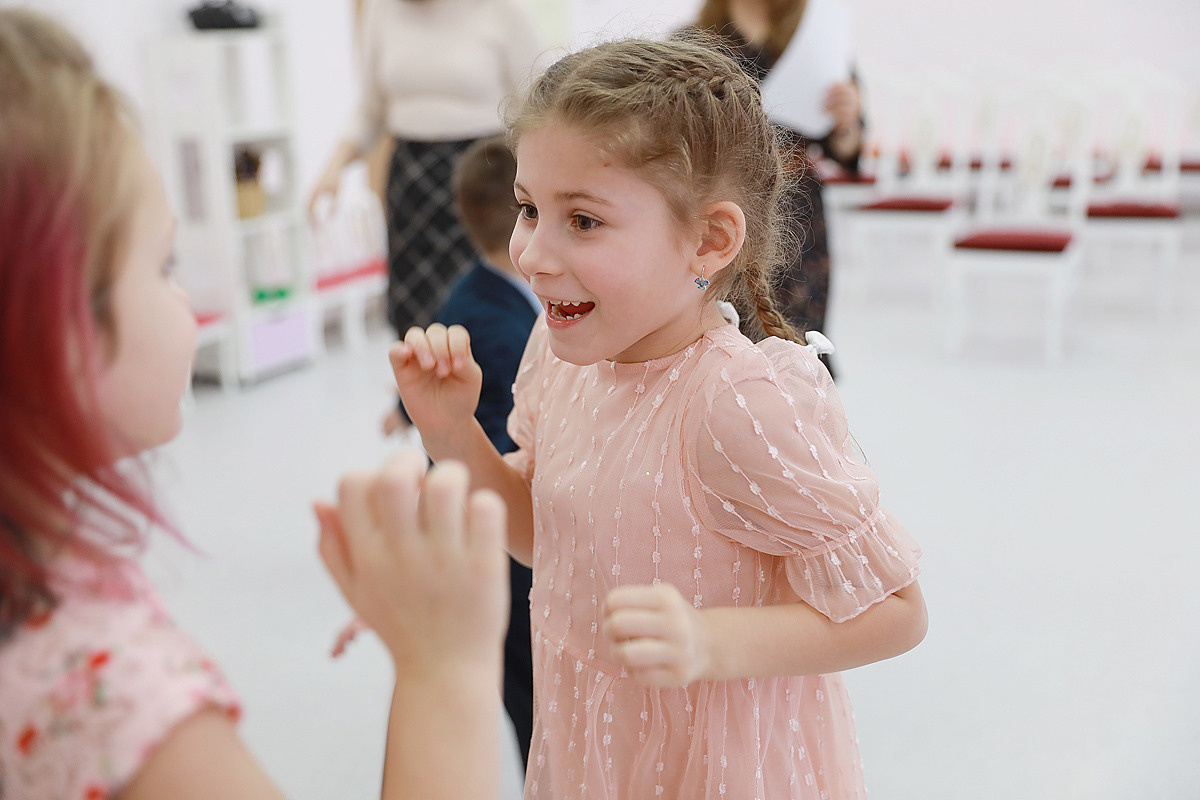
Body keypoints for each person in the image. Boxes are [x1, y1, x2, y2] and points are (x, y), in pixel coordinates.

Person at [390, 36, 927, 799]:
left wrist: (710, 640)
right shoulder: (561, 357)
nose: (533, 254)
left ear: (709, 240)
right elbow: (550, 539)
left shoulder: (735, 405)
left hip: (717, 770)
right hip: (594, 753)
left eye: (583, 221)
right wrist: (450, 433)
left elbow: (898, 611)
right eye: (529, 209)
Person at [0, 10, 510, 799]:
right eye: (164, 265)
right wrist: (444, 669)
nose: (182, 297)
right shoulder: (108, 696)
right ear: (55, 329)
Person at [383, 134, 540, 766]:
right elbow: (500, 438)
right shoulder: (500, 325)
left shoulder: (484, 295)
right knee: (534, 701)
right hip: (501, 549)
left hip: (497, 535)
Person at [308, 0, 544, 365]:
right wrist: (333, 169)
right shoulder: (381, 10)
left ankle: (504, 401)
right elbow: (371, 110)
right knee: (417, 326)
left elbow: (538, 104)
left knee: (489, 320)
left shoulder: (504, 9)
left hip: (486, 187)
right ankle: (422, 398)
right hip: (412, 186)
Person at [692, 0, 866, 379]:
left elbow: (848, 150)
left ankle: (795, 410)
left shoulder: (817, 36)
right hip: (721, 205)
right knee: (720, 331)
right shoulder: (694, 41)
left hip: (797, 207)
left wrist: (847, 121)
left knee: (797, 335)